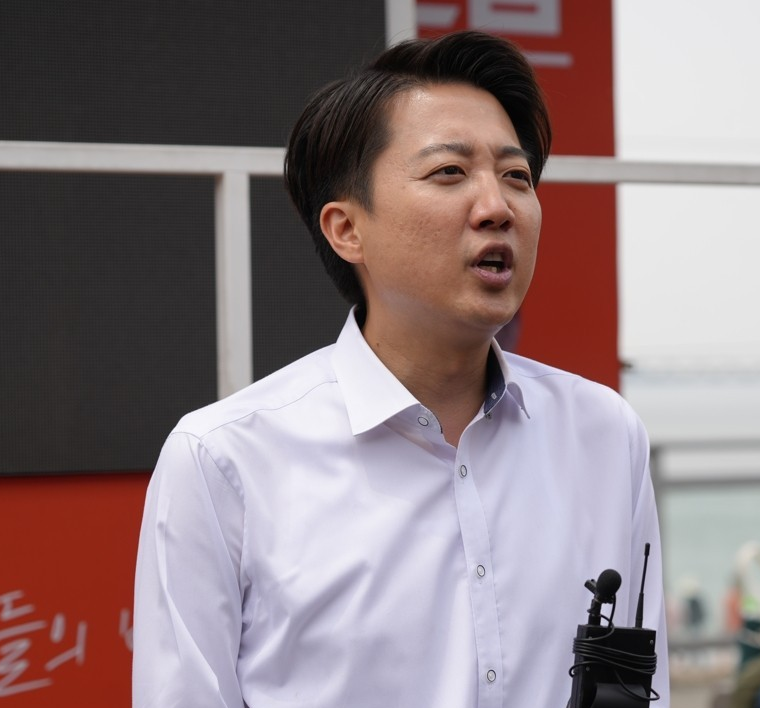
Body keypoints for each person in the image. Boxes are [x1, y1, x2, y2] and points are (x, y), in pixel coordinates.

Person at [133, 30, 670, 708]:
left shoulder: (604, 434)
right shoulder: (223, 461)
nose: (497, 207)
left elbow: (640, 686)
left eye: (516, 177)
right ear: (346, 229)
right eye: (450, 172)